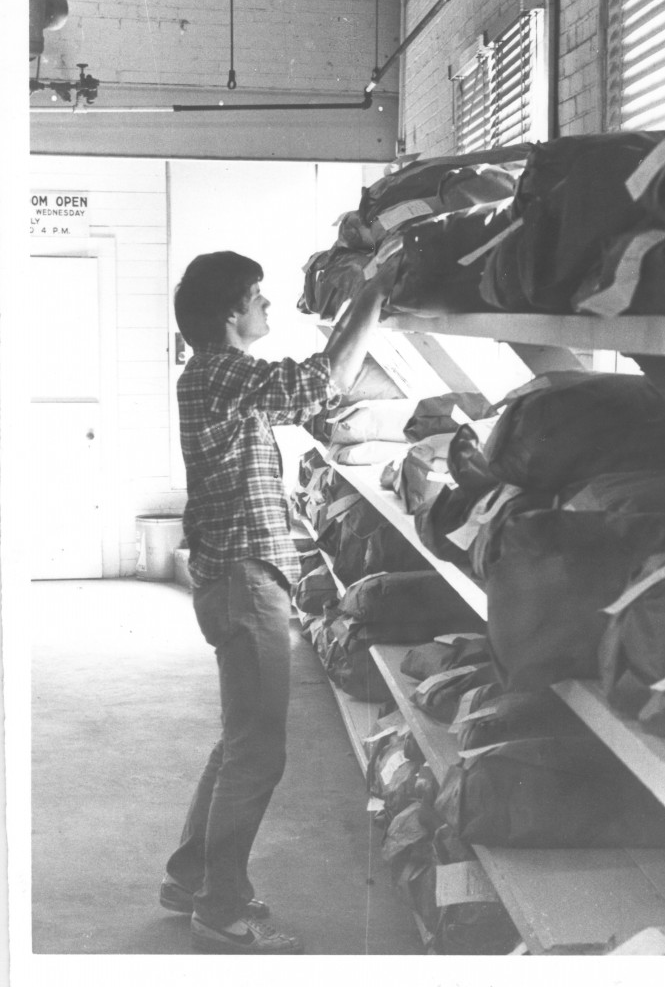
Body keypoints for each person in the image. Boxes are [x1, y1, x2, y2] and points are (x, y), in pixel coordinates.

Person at [159, 250, 390, 954]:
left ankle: (190, 874)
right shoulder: (222, 371)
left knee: (240, 738)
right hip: (246, 578)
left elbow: (304, 392)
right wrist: (377, 291)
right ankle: (219, 907)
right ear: (230, 311)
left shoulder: (213, 377)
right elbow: (324, 378)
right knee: (259, 749)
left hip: (238, 574)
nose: (268, 308)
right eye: (258, 297)